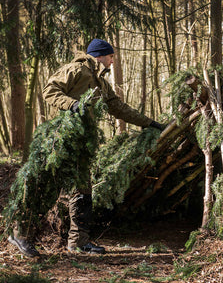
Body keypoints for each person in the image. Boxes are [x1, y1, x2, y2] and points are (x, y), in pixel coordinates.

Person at [8, 39, 165, 257]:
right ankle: (20, 235)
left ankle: (78, 243)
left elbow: (118, 107)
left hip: (82, 144)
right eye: (110, 57)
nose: (112, 61)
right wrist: (72, 105)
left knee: (82, 192)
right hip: (59, 142)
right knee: (44, 188)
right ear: (100, 55)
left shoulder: (100, 82)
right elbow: (50, 90)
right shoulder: (76, 69)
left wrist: (150, 123)